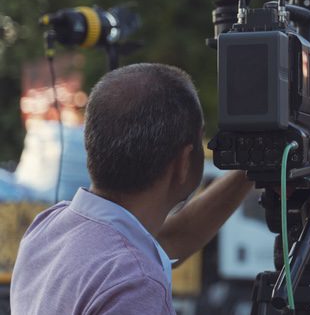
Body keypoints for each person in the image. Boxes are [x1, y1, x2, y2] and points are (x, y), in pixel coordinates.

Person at [10, 63, 255, 314]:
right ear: (183, 162)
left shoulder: (49, 228)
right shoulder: (135, 283)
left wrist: (250, 170)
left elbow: (168, 242)